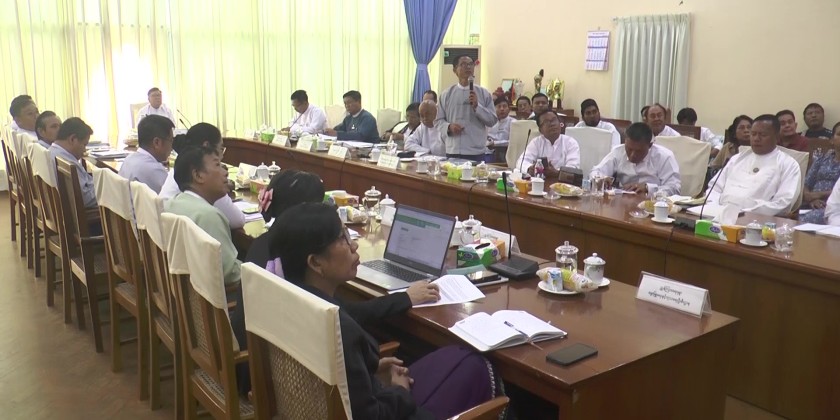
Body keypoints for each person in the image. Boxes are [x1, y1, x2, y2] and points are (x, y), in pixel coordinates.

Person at [268, 202, 501, 420]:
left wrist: (365, 371)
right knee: (477, 368)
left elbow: (334, 379)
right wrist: (400, 391)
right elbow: (371, 415)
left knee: (460, 355)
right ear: (316, 263)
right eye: (342, 238)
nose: (354, 245)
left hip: (350, 397)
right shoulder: (339, 330)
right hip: (388, 409)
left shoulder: (287, 303)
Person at [705, 114, 801, 216]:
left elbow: (783, 203)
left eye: (762, 135)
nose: (756, 139)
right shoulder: (737, 158)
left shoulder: (788, 164)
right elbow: (714, 188)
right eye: (753, 134)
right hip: (717, 213)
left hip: (755, 219)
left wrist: (743, 213)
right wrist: (714, 207)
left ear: (777, 137)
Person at [158, 123, 246, 229]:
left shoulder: (181, 167)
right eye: (221, 149)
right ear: (206, 146)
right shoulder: (208, 187)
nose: (222, 156)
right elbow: (238, 220)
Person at [590, 122, 681, 195]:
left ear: (650, 145)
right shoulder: (618, 151)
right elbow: (595, 171)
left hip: (651, 205)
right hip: (622, 203)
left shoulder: (664, 156)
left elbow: (675, 188)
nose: (632, 155)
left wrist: (647, 188)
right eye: (629, 149)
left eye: (638, 151)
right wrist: (602, 179)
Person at [435, 54, 497, 161]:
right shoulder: (446, 94)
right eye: (463, 64)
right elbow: (438, 120)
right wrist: (449, 127)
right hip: (453, 149)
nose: (468, 67)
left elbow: (492, 120)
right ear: (455, 70)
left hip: (476, 151)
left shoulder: (484, 93)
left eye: (470, 64)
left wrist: (477, 106)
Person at [119, 115, 174, 193]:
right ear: (157, 142)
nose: (172, 148)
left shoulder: (129, 159)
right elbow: (173, 198)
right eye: (171, 141)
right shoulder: (154, 170)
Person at [49, 117, 97, 209]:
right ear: (72, 139)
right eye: (84, 144)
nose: (84, 150)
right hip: (79, 213)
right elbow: (86, 199)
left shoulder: (51, 152)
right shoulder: (68, 162)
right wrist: (107, 189)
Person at [516, 111, 580, 177]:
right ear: (540, 130)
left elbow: (573, 167)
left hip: (562, 182)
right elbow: (521, 162)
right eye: (546, 122)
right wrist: (529, 168)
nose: (552, 124)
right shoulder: (536, 142)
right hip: (538, 180)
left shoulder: (570, 142)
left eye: (554, 120)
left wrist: (557, 173)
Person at [800, 122, 840, 224]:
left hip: (833, 208)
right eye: (839, 134)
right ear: (831, 140)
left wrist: (818, 195)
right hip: (811, 204)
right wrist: (811, 199)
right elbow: (807, 183)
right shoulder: (822, 158)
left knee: (809, 219)